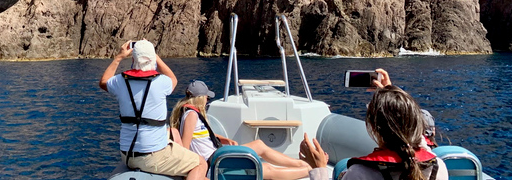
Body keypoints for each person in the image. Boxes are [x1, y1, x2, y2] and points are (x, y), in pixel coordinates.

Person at [99, 40, 208, 180]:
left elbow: (103, 82)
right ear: (152, 59)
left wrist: (119, 57)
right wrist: (156, 56)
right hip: (152, 156)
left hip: (127, 154)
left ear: (133, 59)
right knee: (200, 164)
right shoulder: (162, 82)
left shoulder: (120, 81)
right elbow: (173, 79)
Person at [170, 80, 312, 180]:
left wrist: (224, 139)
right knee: (266, 169)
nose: (207, 100)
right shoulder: (192, 115)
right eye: (206, 97)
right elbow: (186, 147)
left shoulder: (190, 113)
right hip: (213, 162)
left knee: (259, 145)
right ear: (201, 98)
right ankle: (308, 170)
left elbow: (202, 136)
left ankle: (302, 164)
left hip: (216, 156)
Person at [299, 85, 448, 180]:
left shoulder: (360, 173)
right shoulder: (438, 166)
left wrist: (319, 170)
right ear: (416, 123)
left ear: (373, 128)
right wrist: (394, 99)